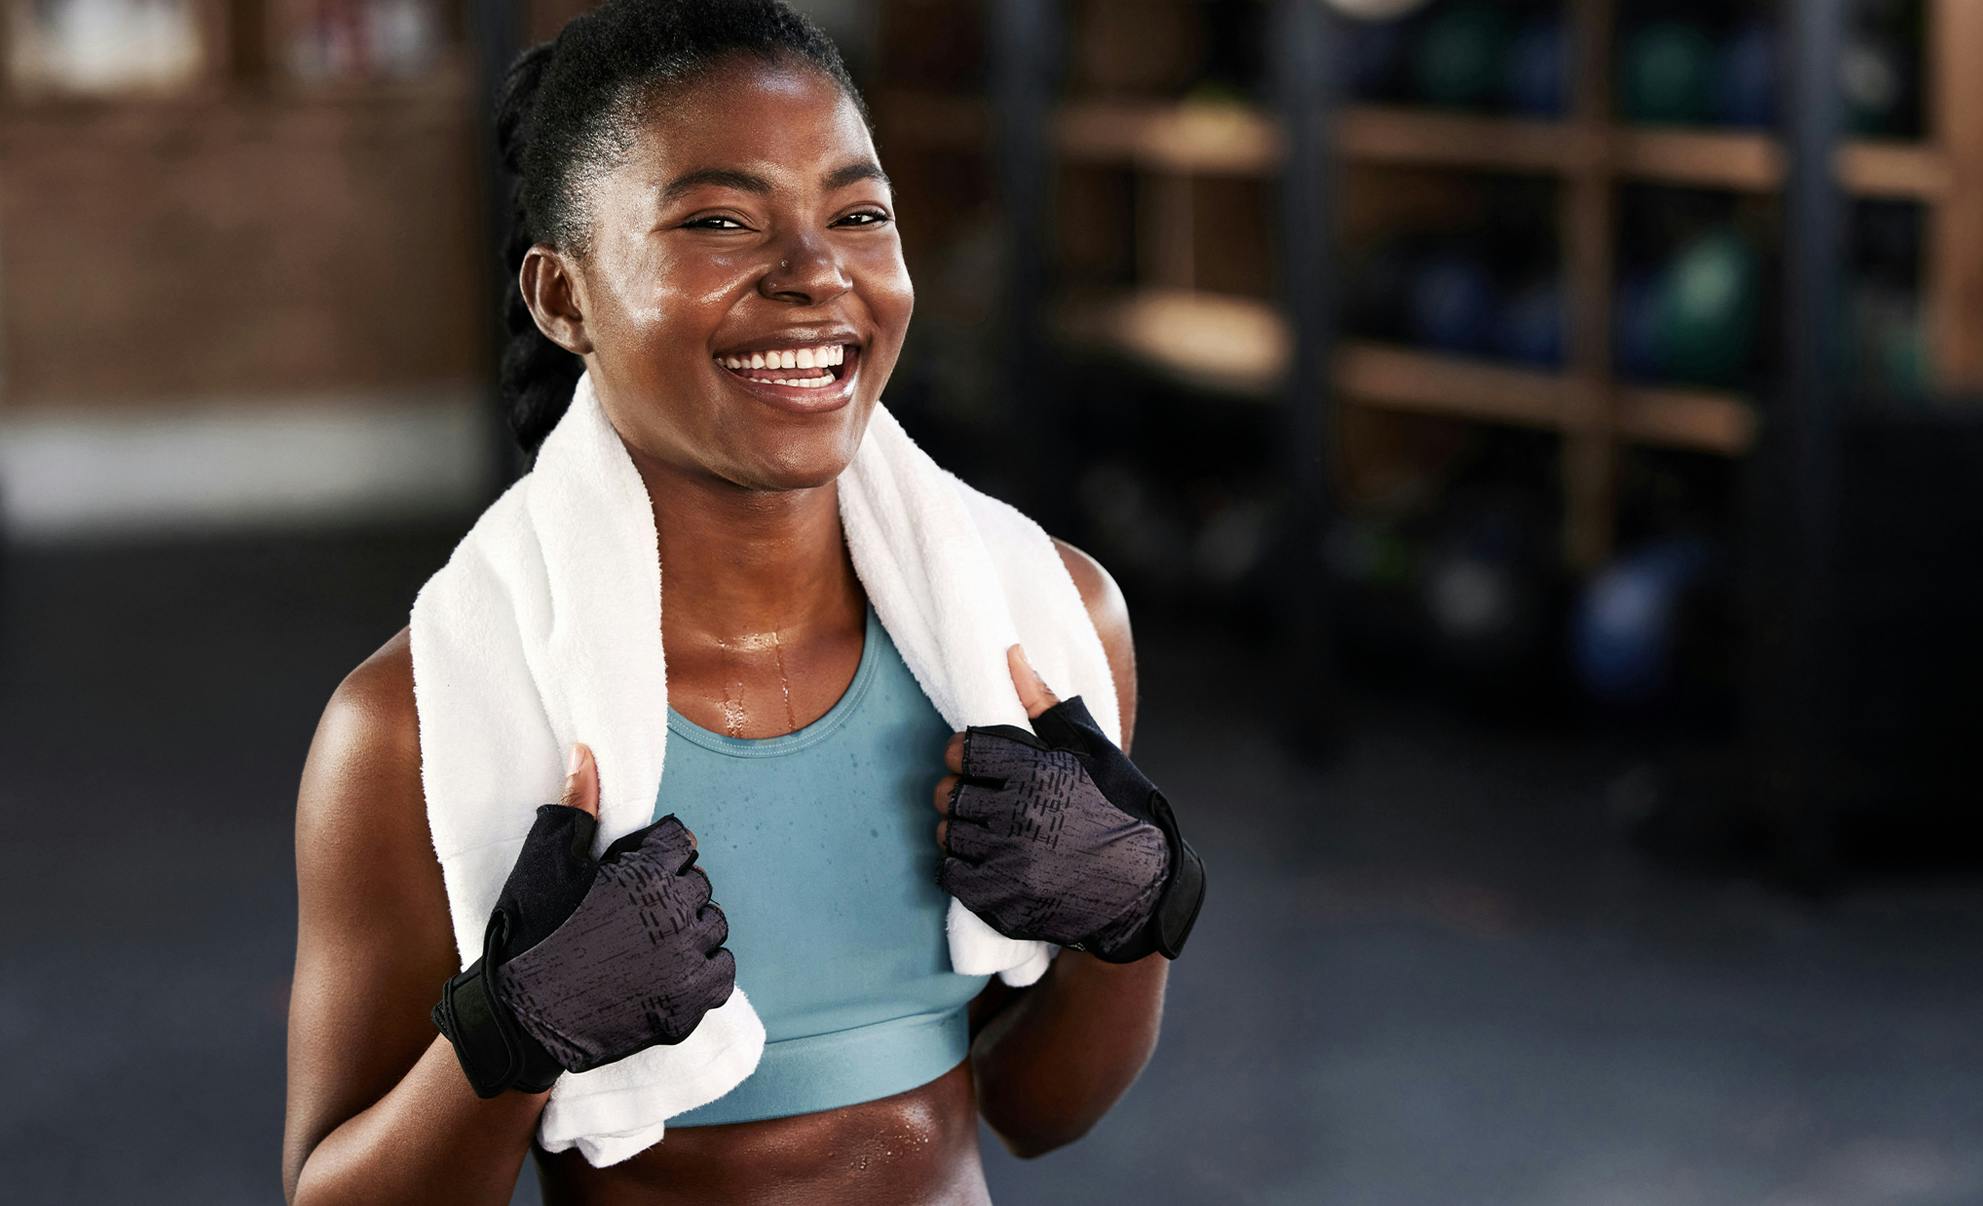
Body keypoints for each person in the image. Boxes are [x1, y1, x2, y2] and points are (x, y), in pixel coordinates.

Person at [282, 2, 1201, 1202]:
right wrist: (509, 1037)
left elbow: (1038, 1111)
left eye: (858, 214)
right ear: (564, 299)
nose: (818, 274)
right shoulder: (414, 726)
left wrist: (1138, 916)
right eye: (719, 221)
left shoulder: (1047, 627)